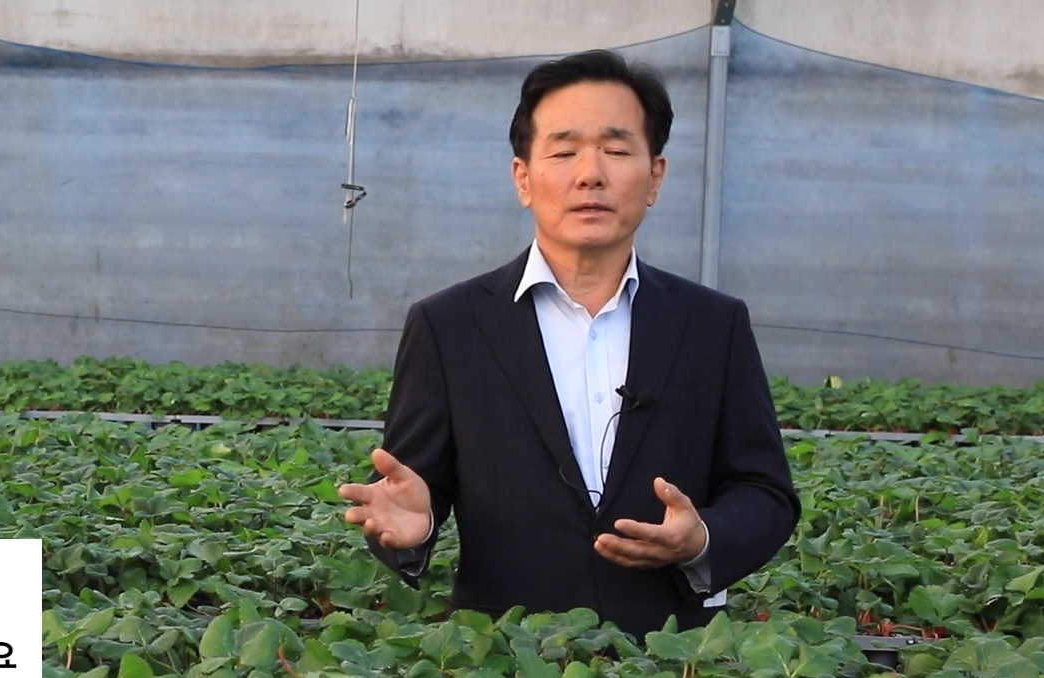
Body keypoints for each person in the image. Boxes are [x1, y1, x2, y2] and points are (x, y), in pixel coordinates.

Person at [338, 49, 798, 636]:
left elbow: (764, 492)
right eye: (563, 151)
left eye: (616, 150)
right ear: (523, 178)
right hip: (501, 658)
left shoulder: (713, 324)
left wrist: (701, 538)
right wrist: (415, 528)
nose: (590, 174)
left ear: (655, 176)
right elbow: (408, 491)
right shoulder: (448, 325)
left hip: (678, 658)